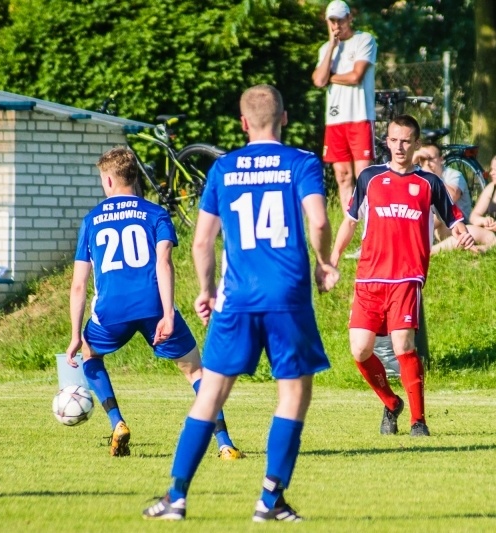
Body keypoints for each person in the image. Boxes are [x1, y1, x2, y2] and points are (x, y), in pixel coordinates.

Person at [143, 85, 339, 522]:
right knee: (293, 393)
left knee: (210, 393)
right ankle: (270, 500)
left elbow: (200, 241)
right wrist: (325, 263)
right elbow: (321, 220)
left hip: (237, 298)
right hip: (287, 294)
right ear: (284, 118)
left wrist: (207, 290)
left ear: (243, 123)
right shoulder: (302, 162)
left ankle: (175, 497)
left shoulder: (223, 169)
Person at [66, 147, 242, 460]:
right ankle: (225, 444)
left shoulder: (92, 220)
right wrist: (169, 313)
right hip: (153, 305)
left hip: (110, 312)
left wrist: (75, 334)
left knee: (90, 353)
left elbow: (79, 284)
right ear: (134, 177)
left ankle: (117, 422)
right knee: (196, 373)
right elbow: (164, 263)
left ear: (108, 180)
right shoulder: (156, 214)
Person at [331, 114, 474, 437]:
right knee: (360, 350)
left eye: (406, 140)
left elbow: (454, 220)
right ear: (387, 141)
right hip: (369, 277)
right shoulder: (369, 177)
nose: (399, 146)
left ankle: (418, 421)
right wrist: (333, 260)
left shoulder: (429, 183)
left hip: (406, 278)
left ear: (416, 144)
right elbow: (351, 221)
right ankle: (391, 402)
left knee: (403, 346)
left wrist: (464, 235)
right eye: (394, 140)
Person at [312, 0, 377, 212]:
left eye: (340, 19)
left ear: (349, 18)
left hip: (359, 116)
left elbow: (356, 76)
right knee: (342, 175)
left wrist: (331, 77)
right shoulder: (325, 49)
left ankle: (370, 224)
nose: (337, 25)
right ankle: (351, 221)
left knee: (362, 174)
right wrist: (332, 46)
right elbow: (318, 80)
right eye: (332, 20)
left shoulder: (364, 40)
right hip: (335, 119)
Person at [413, 143, 475, 254]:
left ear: (441, 159)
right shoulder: (419, 178)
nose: (426, 163)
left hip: (459, 223)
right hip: (439, 227)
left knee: (437, 216)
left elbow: (451, 197)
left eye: (430, 158)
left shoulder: (453, 175)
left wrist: (432, 177)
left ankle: (425, 251)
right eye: (422, 159)